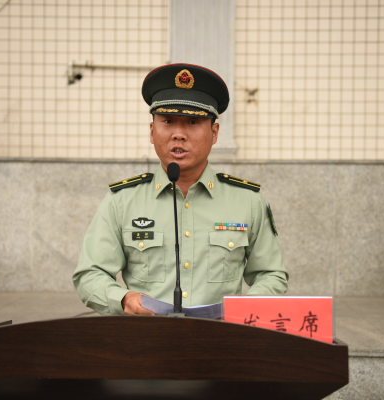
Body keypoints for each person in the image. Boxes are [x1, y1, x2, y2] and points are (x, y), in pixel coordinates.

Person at [73, 63, 288, 315]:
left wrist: (245, 309)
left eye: (193, 122)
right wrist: (123, 299)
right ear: (152, 131)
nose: (178, 134)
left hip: (221, 335)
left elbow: (270, 274)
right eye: (167, 121)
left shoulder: (247, 201)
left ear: (214, 132)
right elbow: (90, 273)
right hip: (147, 335)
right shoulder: (122, 201)